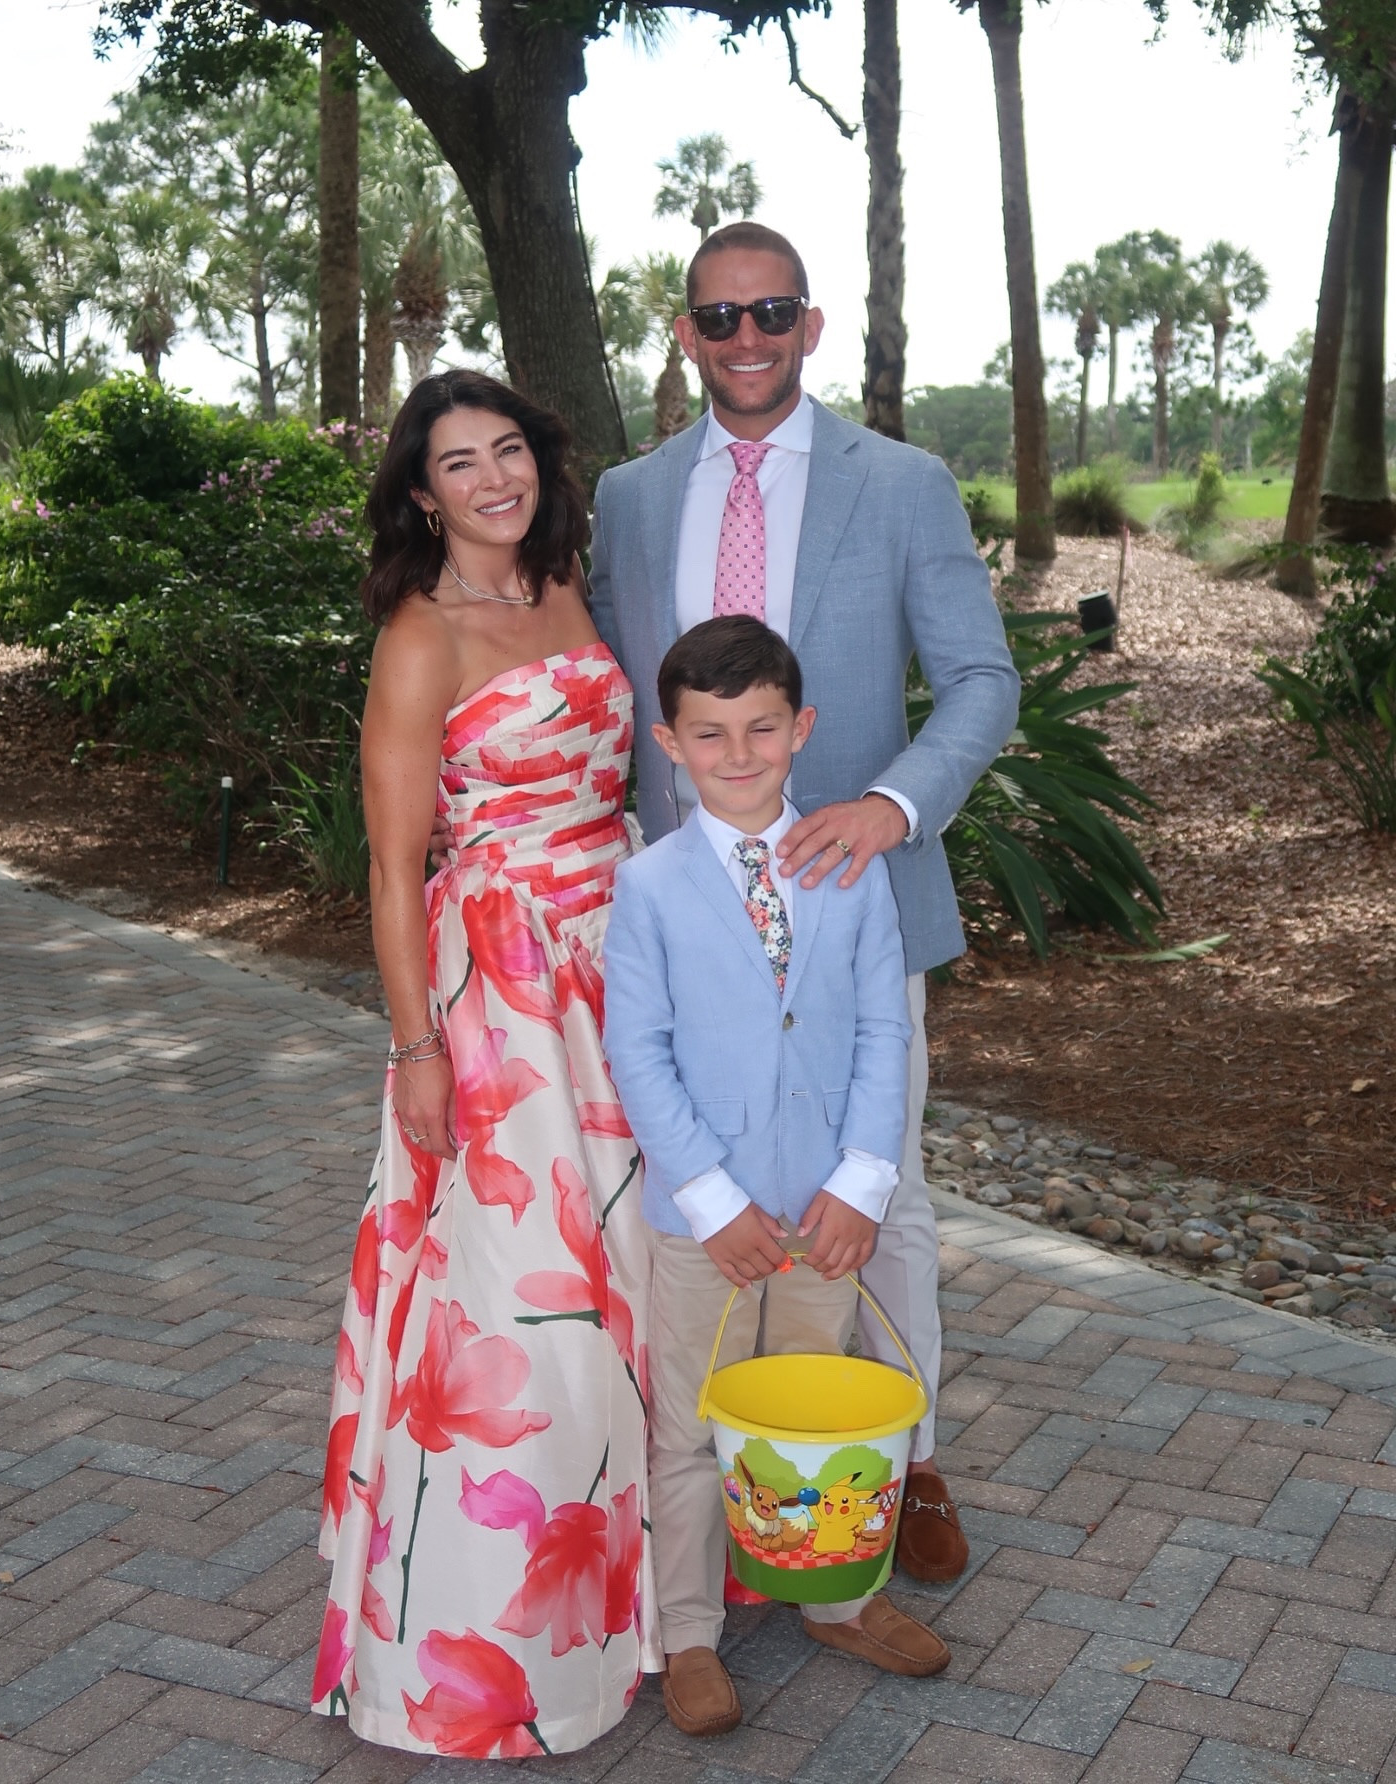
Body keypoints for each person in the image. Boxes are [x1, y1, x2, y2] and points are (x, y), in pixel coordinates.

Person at [589, 221, 1022, 1586]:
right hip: (690, 917)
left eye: (771, 311)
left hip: (853, 899)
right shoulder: (629, 497)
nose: (748, 338)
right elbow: (606, 685)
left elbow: (982, 679)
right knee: (700, 1190)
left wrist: (892, 804)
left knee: (876, 1194)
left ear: (810, 325)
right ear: (686, 333)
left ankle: (906, 1462)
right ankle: (724, 1490)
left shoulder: (900, 483)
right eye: (720, 317)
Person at [312, 369, 656, 1759]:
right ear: (422, 492)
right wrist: (417, 1049)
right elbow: (394, 869)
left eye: (508, 449)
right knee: (522, 1308)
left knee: (633, 1278)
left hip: (621, 961)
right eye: (460, 462)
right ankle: (492, 1649)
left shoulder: (568, 583)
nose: (494, 478)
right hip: (504, 996)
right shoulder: (421, 635)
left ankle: (641, 1610)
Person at [603, 616, 950, 1738]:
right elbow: (638, 1053)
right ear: (670, 742)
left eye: (762, 728)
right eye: (710, 733)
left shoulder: (851, 866)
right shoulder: (648, 886)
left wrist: (863, 1181)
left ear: (802, 728)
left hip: (824, 1209)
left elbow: (882, 1033)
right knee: (690, 1427)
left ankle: (838, 1597)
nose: (739, 753)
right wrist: (710, 1198)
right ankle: (689, 1633)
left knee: (818, 1404)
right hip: (707, 1218)